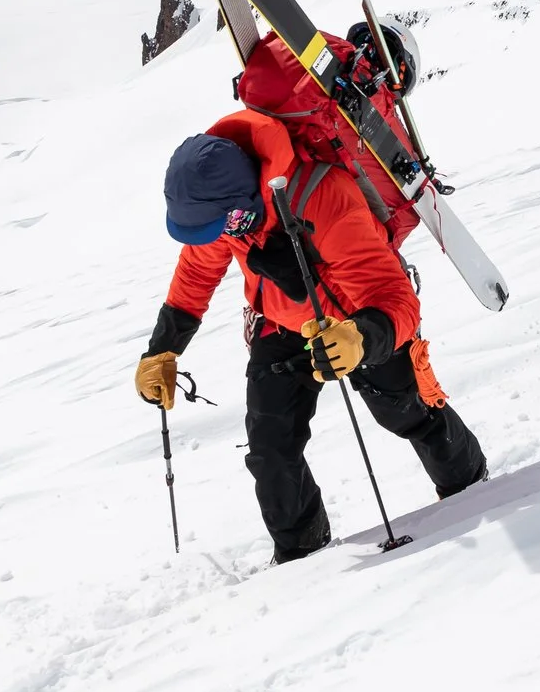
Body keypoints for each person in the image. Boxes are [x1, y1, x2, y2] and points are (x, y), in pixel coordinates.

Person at [132, 106, 486, 562]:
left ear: (241, 204)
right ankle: (302, 559)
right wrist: (161, 351)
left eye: (215, 228)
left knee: (407, 413)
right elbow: (196, 273)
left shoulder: (325, 198)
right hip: (279, 324)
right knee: (270, 449)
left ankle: (472, 489)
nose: (212, 238)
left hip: (360, 319)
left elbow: (397, 299)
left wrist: (359, 339)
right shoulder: (223, 215)